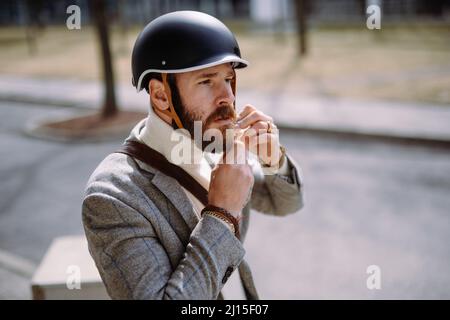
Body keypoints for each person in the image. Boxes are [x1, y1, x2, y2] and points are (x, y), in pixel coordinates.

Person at [82, 10, 304, 300]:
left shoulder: (217, 143)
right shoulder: (111, 197)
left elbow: (286, 203)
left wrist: (274, 160)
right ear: (161, 96)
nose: (228, 97)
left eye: (228, 79)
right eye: (206, 81)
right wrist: (222, 213)